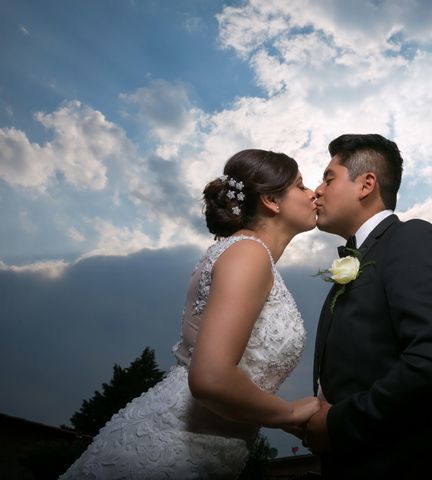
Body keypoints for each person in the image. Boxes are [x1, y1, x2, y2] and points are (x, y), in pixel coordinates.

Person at [61, 149, 321, 479]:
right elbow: (211, 378)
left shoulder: (241, 252)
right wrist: (289, 414)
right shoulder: (248, 254)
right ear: (271, 199)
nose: (313, 192)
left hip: (202, 449)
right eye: (300, 185)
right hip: (169, 454)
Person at [307, 134, 432, 479]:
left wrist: (337, 424)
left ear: (366, 184)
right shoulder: (358, 260)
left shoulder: (410, 238)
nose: (317, 190)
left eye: (328, 178)